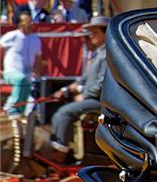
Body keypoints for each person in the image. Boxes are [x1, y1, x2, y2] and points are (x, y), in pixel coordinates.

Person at [41, 16, 110, 164]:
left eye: (94, 32)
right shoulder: (99, 54)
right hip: (93, 98)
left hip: (101, 101)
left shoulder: (106, 55)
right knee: (61, 110)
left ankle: (60, 152)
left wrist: (84, 96)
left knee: (65, 112)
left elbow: (101, 84)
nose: (90, 36)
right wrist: (66, 89)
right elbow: (83, 80)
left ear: (106, 33)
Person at [0, 13, 42, 115]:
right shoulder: (11, 36)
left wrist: (37, 71)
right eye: (27, 22)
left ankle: (19, 113)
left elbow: (38, 57)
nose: (31, 24)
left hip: (27, 74)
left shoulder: (35, 39)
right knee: (20, 80)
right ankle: (10, 109)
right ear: (20, 24)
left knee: (26, 87)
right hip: (11, 71)